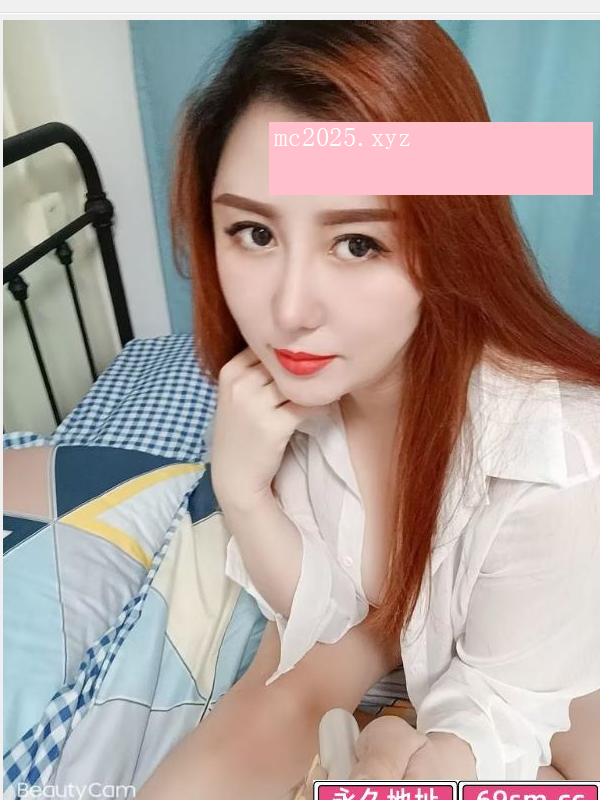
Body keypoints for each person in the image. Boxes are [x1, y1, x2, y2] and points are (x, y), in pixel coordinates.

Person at [136, 20, 600, 799]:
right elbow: (325, 616)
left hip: (549, 661)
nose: (289, 311)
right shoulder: (295, 390)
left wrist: (410, 752)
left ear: (446, 238)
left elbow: (505, 706)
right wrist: (241, 493)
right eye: (254, 232)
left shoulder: (555, 459)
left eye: (356, 244)